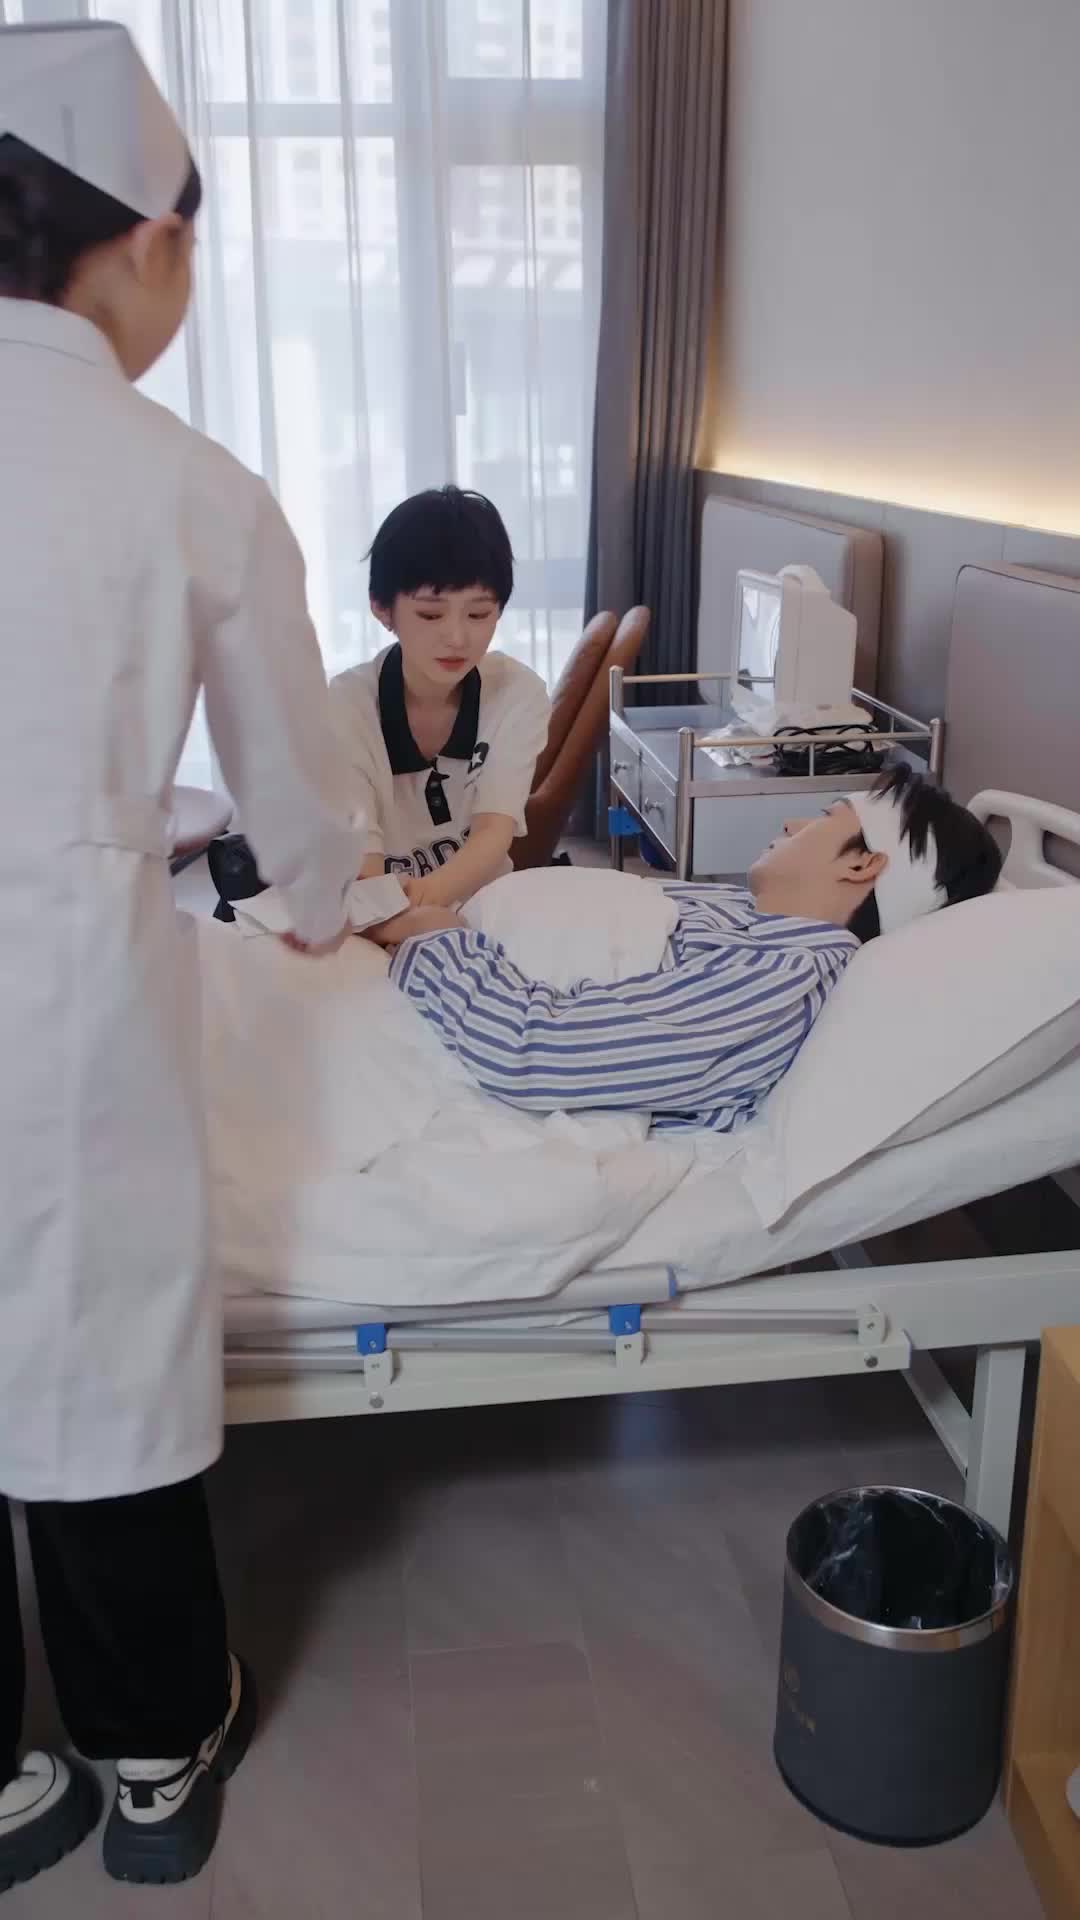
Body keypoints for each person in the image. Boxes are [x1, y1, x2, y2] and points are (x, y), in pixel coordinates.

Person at [0, 23, 365, 1895]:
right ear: (148, 239)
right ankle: (152, 1754)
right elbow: (297, 792)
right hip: (67, 988)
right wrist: (322, 897)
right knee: (99, 1364)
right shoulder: (189, 483)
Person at [388, 768, 1003, 1131]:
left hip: (426, 994)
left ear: (863, 865)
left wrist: (437, 939)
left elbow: (538, 1053)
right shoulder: (746, 916)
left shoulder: (773, 983)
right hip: (436, 954)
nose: (792, 825)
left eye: (822, 817)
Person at [329, 485, 551, 929]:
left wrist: (433, 914)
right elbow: (361, 863)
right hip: (370, 911)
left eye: (478, 614)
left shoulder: (518, 693)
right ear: (382, 609)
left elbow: (494, 832)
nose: (457, 638)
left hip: (482, 910)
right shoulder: (344, 706)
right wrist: (407, 920)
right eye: (431, 615)